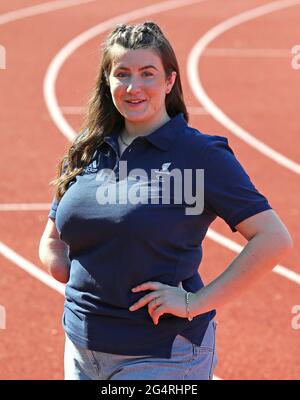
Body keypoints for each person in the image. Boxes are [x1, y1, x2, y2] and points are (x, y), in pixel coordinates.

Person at [39, 22, 293, 380]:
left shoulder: (200, 155)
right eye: (122, 74)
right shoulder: (87, 149)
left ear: (169, 81)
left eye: (148, 74)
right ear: (107, 81)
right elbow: (53, 235)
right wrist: (59, 263)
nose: (133, 87)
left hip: (162, 353)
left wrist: (195, 302)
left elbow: (273, 238)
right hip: (81, 347)